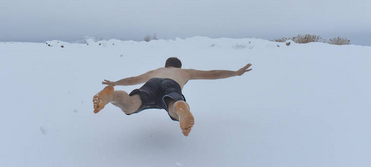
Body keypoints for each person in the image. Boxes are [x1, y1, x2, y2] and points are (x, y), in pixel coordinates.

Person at [93, 57, 252, 136]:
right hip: (172, 84)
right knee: (172, 104)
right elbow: (214, 74)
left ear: (166, 65)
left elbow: (132, 80)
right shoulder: (185, 72)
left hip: (152, 83)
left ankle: (112, 96)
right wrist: (236, 73)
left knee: (132, 103)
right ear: (179, 66)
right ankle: (179, 107)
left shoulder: (155, 71)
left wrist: (115, 82)